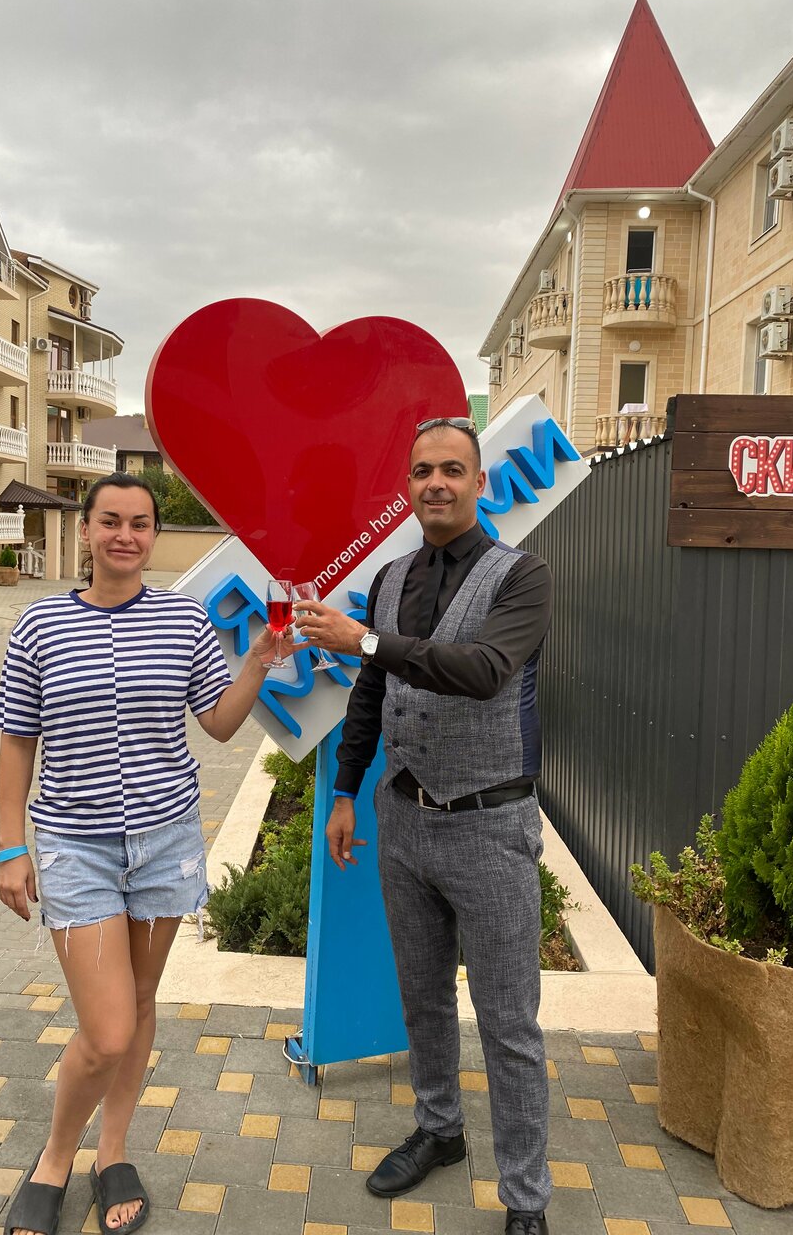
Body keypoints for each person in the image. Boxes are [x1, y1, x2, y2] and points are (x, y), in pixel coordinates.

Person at [0, 472, 295, 1235]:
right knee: (108, 1030)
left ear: (153, 535)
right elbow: (17, 743)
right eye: (111, 521)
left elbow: (217, 724)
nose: (125, 535)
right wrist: (9, 848)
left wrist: (257, 661)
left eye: (140, 523)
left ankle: (114, 1151)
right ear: (87, 530)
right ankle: (56, 1157)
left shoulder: (182, 620)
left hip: (166, 846)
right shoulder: (39, 626)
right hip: (76, 848)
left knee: (143, 1001)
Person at [294, 418, 554, 1235]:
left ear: (480, 482)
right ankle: (440, 1129)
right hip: (403, 821)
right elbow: (371, 692)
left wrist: (367, 640)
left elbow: (483, 672)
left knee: (509, 1023)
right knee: (423, 998)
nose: (435, 482)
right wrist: (344, 791)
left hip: (490, 823)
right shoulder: (391, 576)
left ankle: (526, 1198)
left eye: (452, 469)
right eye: (421, 471)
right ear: (407, 486)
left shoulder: (523, 577)